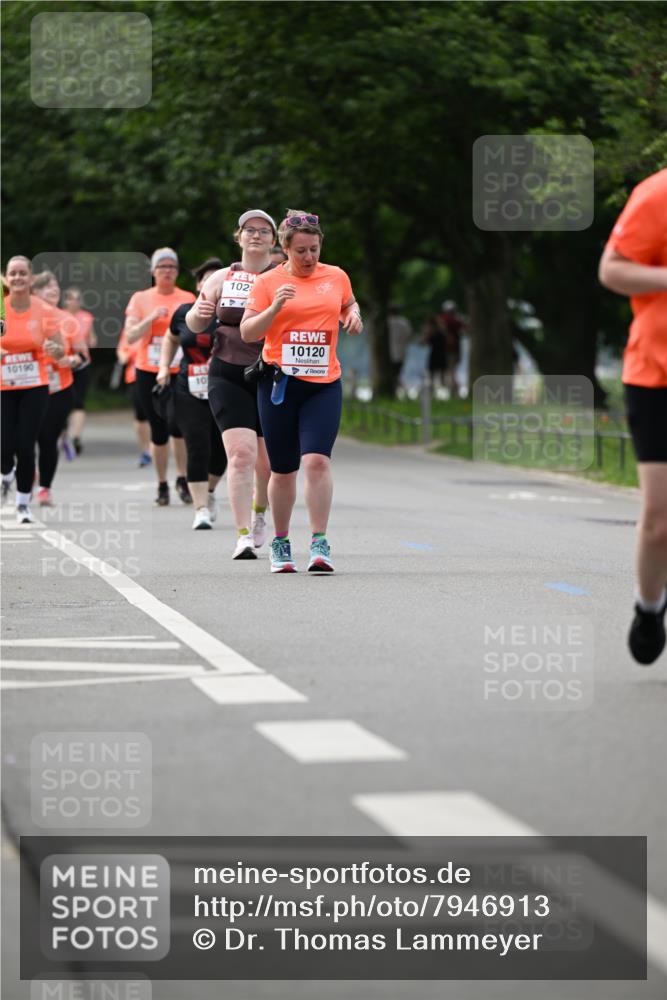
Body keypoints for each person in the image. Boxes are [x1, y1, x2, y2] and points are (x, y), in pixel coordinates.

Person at [240, 209, 363, 573]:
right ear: (285, 249)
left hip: (323, 385)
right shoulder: (267, 283)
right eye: (301, 251)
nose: (309, 258)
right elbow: (248, 332)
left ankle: (319, 542)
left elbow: (348, 304)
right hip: (280, 385)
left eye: (314, 250)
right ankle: (280, 541)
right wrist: (276, 307)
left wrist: (354, 316)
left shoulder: (336, 276)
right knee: (283, 469)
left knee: (317, 461)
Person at [598, 167, 667, 665]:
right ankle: (649, 606)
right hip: (656, 375)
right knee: (660, 518)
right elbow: (613, 269)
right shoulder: (658, 193)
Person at [186, 212, 276, 558]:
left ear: (273, 240)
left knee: (267, 464)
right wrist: (203, 309)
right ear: (238, 237)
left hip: (271, 374)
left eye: (263, 231)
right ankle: (241, 536)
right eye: (249, 230)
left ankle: (258, 517)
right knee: (241, 455)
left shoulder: (283, 278)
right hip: (227, 372)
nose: (255, 235)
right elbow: (196, 321)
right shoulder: (223, 277)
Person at [158, 258, 228, 529]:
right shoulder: (184, 312)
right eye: (206, 281)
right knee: (197, 445)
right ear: (200, 285)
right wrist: (164, 366)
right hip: (189, 388)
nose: (212, 286)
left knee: (221, 450)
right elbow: (171, 337)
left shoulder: (236, 314)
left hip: (225, 388)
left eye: (218, 281)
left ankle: (209, 493)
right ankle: (199, 508)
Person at [124, 247, 195, 506]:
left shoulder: (187, 297)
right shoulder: (141, 299)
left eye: (172, 267)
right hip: (148, 371)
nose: (167, 271)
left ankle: (183, 479)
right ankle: (162, 484)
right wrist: (151, 318)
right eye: (162, 267)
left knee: (179, 426)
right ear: (153, 271)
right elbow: (131, 336)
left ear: (177, 272)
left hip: (180, 370)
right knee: (158, 428)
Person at [1, 256, 64, 522]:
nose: (17, 278)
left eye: (22, 273)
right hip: (3, 385)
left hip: (34, 385)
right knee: (4, 446)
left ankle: (23, 502)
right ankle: (6, 474)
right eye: (13, 273)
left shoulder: (44, 310)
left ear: (30, 278)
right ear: (6, 277)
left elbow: (60, 349)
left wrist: (54, 349)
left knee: (26, 445)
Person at [31, 271, 82, 506]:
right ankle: (29, 472)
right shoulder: (23, 315)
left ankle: (45, 488)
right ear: (34, 292)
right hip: (28, 385)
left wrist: (71, 360)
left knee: (48, 439)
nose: (52, 290)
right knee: (25, 438)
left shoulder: (67, 320)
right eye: (45, 286)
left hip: (59, 387)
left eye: (55, 286)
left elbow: (82, 355)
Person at [62, 286, 96, 454]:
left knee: (78, 402)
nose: (74, 302)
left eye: (77, 298)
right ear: (65, 300)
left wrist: (86, 344)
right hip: (62, 364)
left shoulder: (86, 317)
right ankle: (62, 434)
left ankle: (76, 436)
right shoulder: (57, 316)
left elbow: (92, 339)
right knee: (63, 401)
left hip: (82, 364)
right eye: (70, 298)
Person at [116, 327, 151, 467]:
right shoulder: (130, 330)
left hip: (160, 375)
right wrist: (124, 356)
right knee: (141, 416)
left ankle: (159, 446)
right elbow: (121, 351)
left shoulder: (160, 324)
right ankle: (145, 450)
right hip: (135, 377)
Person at [439, 300, 465, 398]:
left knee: (450, 372)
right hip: (454, 350)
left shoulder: (443, 319)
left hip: (448, 350)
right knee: (452, 372)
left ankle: (454, 392)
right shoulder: (457, 320)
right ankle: (454, 391)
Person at [387, 304, 413, 396]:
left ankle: (397, 391)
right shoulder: (404, 323)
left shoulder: (385, 322)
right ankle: (402, 391)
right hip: (400, 352)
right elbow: (409, 336)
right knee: (397, 374)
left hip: (388, 354)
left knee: (392, 375)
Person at [421, 314, 448, 392]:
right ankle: (441, 390)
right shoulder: (440, 330)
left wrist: (426, 333)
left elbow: (422, 343)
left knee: (435, 375)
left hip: (436, 354)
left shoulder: (436, 331)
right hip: (439, 353)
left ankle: (437, 391)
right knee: (440, 375)